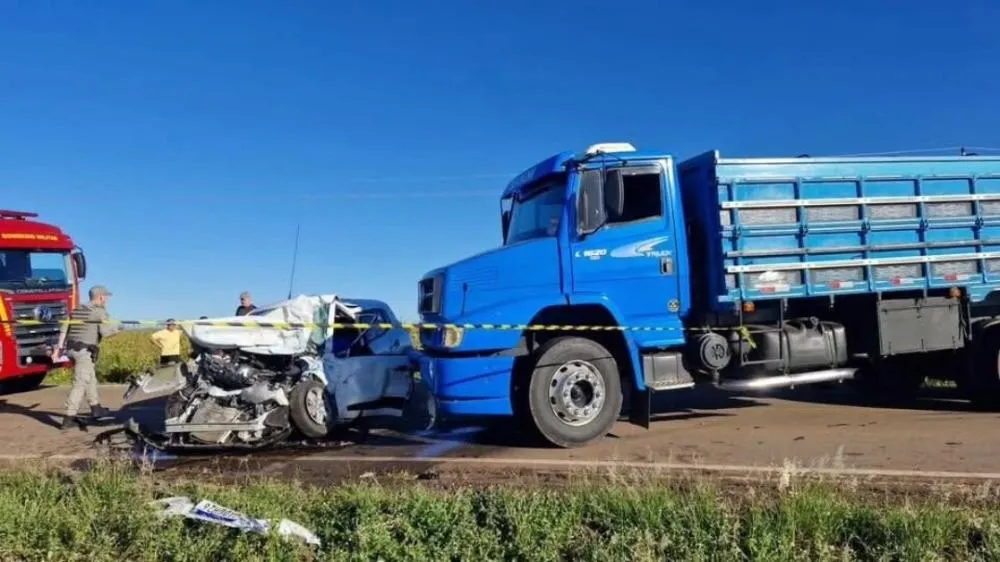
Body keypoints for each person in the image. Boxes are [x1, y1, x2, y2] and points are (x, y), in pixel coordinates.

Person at [51, 285, 118, 430]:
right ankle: (68, 418)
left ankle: (96, 408)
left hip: (71, 350)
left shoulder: (75, 310)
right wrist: (118, 329)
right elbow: (107, 333)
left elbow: (64, 330)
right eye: (106, 296)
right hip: (84, 352)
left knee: (90, 378)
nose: (107, 299)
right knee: (80, 383)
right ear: (100, 297)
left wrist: (58, 350)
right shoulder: (99, 312)